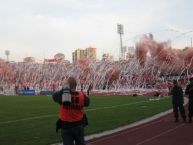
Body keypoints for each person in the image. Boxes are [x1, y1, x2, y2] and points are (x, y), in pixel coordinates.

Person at [52, 77, 91, 145]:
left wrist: (64, 89)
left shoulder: (63, 96)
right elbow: (87, 103)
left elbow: (54, 96)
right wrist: (88, 92)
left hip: (66, 126)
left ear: (67, 85)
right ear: (76, 85)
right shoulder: (81, 95)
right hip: (79, 125)